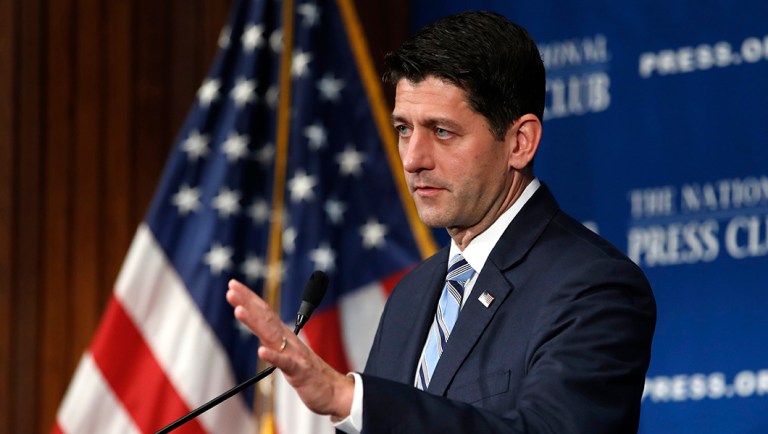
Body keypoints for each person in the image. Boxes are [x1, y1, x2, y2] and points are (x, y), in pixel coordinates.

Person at [226, 11, 656, 433]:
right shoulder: (411, 294)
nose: (413, 159)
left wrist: (348, 400)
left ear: (519, 143)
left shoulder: (594, 286)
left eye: (442, 131)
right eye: (403, 129)